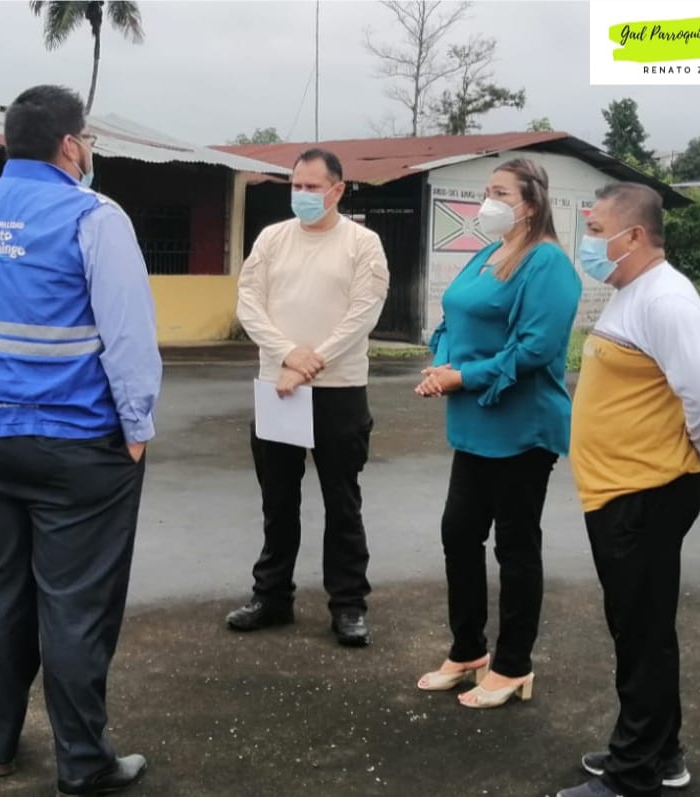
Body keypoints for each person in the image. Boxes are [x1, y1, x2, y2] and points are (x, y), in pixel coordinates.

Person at [0, 85, 162, 797]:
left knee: (0, 590)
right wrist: (137, 427)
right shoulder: (94, 217)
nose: (89, 150)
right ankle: (83, 761)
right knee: (76, 604)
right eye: (87, 138)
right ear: (69, 144)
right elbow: (128, 336)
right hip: (79, 446)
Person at [556, 183, 700, 797]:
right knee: (641, 628)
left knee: (642, 634)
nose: (588, 241)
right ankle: (660, 752)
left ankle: (632, 775)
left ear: (633, 235)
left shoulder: (666, 299)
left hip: (645, 493)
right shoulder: (632, 294)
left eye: (596, 229)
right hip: (621, 491)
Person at [414, 158, 582, 709]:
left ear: (530, 204)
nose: (489, 201)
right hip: (473, 421)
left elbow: (534, 349)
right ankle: (468, 651)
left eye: (501, 193)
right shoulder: (486, 254)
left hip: (522, 425)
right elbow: (451, 321)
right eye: (487, 191)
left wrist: (463, 377)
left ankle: (513, 665)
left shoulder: (548, 263)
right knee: (459, 533)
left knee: (515, 544)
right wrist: (443, 364)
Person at [226, 148, 390, 647]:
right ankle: (272, 596)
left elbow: (363, 313)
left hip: (338, 390)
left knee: (343, 504)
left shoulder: (363, 243)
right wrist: (287, 355)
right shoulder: (272, 239)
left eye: (313, 187)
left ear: (337, 190)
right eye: (296, 186)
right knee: (278, 501)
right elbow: (249, 303)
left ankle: (348, 605)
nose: (302, 194)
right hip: (278, 388)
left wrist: (310, 361)